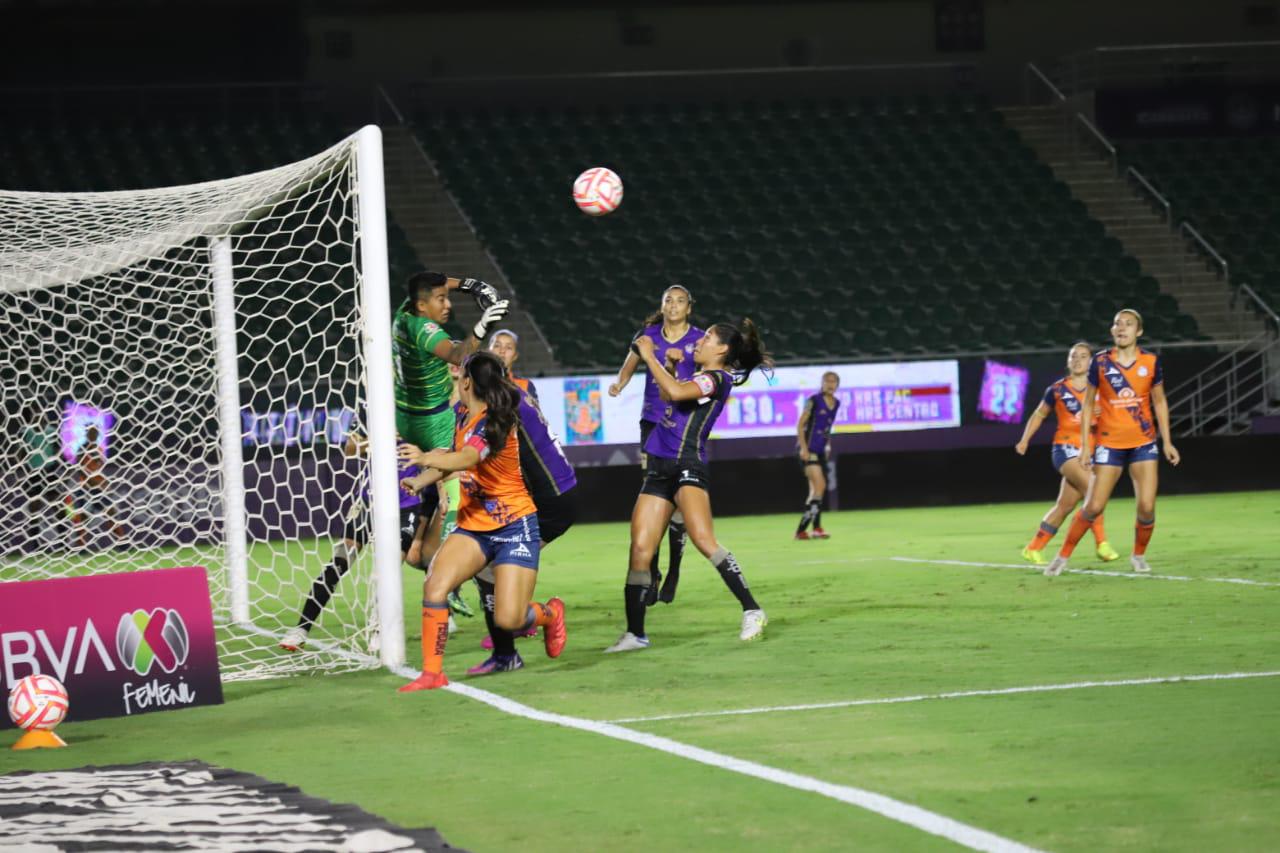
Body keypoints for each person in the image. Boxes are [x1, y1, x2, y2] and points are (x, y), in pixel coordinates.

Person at [397, 351, 566, 691]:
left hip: (515, 526)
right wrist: (421, 479)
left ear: (468, 382)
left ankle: (549, 614)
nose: (455, 381)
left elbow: (470, 456)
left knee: (510, 618)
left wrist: (423, 456)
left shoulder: (496, 422)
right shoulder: (461, 414)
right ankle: (432, 673)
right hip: (474, 524)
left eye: (459, 376)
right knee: (435, 585)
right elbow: (452, 459)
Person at [605, 319, 773, 653]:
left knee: (703, 539)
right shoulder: (699, 376)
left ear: (722, 350)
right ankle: (635, 634)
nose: (700, 340)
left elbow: (677, 392)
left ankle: (752, 609)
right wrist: (667, 365)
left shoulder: (717, 378)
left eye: (708, 337)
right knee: (640, 549)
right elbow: (678, 392)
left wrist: (650, 356)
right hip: (659, 467)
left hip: (687, 466)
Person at [466, 329, 579, 676]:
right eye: (495, 346)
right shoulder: (511, 395)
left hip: (550, 500)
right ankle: (507, 649)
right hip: (548, 494)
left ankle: (544, 616)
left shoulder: (506, 405)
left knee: (489, 570)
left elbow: (493, 455)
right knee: (487, 571)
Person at [1045, 309, 1181, 577]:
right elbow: (1087, 405)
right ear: (1112, 330)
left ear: (1138, 332)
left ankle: (1138, 556)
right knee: (1093, 506)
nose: (1122, 328)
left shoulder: (1151, 362)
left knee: (1146, 507)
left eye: (1128, 324)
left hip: (1143, 443)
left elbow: (1160, 401)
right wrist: (1085, 446)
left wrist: (1167, 442)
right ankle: (1062, 557)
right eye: (1118, 324)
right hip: (1109, 444)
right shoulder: (1100, 362)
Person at [279, 428, 437, 652]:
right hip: (367, 504)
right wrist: (378, 438)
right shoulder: (368, 408)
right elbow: (350, 448)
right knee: (339, 563)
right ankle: (301, 629)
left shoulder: (414, 410)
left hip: (405, 506)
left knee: (388, 569)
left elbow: (435, 451)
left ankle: (379, 627)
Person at [393, 271, 509, 550]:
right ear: (423, 306)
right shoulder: (424, 329)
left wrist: (470, 285)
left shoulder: (403, 314)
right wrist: (483, 326)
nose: (449, 305)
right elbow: (458, 356)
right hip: (432, 420)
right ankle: (455, 573)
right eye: (441, 300)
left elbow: (437, 281)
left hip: (404, 413)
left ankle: (423, 544)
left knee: (444, 481)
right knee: (460, 478)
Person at [608, 284, 703, 604]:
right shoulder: (648, 335)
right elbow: (630, 361)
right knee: (656, 496)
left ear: (689, 307)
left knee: (679, 502)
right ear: (662, 306)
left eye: (680, 301)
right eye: (668, 301)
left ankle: (673, 570)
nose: (674, 306)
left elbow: (710, 376)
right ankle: (652, 572)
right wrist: (620, 383)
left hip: (686, 423)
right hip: (652, 423)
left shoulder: (700, 339)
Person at [1014, 343, 1119, 565]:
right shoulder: (1057, 390)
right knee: (1093, 491)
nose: (1078, 360)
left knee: (1065, 505)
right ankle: (1102, 543)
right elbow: (1039, 414)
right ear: (1068, 361)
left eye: (1083, 356)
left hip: (1089, 453)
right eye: (1074, 356)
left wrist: (1103, 416)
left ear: (1091, 362)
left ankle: (1033, 548)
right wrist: (1025, 439)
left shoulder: (1102, 391)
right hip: (1065, 449)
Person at [794, 371, 840, 540]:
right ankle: (813, 528)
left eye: (834, 381)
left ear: (837, 385)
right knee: (820, 486)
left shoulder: (836, 404)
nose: (830, 384)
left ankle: (807, 530)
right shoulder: (813, 400)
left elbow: (827, 428)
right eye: (827, 381)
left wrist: (827, 445)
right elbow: (800, 425)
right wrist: (803, 448)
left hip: (820, 450)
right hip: (808, 449)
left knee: (815, 491)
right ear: (822, 383)